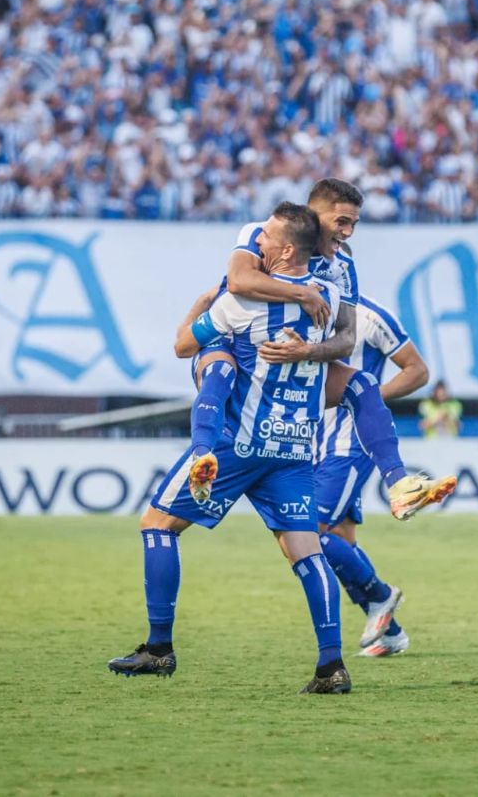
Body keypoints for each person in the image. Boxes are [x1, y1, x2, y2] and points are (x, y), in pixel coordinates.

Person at [108, 203, 351, 694]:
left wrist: (202, 303)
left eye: (265, 239)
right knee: (307, 554)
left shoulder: (239, 304)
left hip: (238, 443)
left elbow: (182, 345)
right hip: (295, 445)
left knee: (157, 525)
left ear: (285, 249)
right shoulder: (330, 295)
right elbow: (343, 342)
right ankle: (332, 667)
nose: (255, 243)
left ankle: (159, 649)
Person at [180, 179, 456, 522]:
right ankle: (202, 455)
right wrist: (303, 294)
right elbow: (238, 280)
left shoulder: (342, 267)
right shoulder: (263, 232)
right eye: (341, 222)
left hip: (288, 374)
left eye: (354, 223)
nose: (349, 232)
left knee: (363, 384)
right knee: (219, 369)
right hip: (235, 345)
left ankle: (400, 484)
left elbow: (347, 338)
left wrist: (309, 350)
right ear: (315, 215)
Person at [314, 294, 430, 658]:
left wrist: (368, 397)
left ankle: (381, 595)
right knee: (342, 539)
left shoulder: (371, 316)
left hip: (350, 443)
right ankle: (390, 634)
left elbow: (417, 370)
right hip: (314, 440)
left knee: (310, 532)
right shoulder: (304, 307)